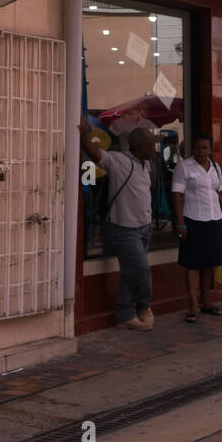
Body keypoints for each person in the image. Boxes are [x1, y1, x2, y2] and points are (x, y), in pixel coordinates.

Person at [80, 119, 156, 331]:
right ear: (142, 147)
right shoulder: (118, 160)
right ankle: (142, 305)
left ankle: (125, 313)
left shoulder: (146, 164)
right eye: (151, 145)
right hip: (123, 228)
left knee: (131, 271)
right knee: (140, 269)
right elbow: (96, 155)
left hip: (144, 227)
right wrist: (82, 134)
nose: (154, 148)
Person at [171, 134, 222, 323]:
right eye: (197, 148)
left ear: (210, 149)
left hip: (214, 219)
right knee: (192, 263)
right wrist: (180, 222)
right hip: (193, 220)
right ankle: (193, 305)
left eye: (204, 148)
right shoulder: (183, 167)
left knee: (209, 262)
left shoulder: (215, 167)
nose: (201, 151)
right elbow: (176, 195)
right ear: (192, 150)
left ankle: (206, 302)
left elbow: (221, 193)